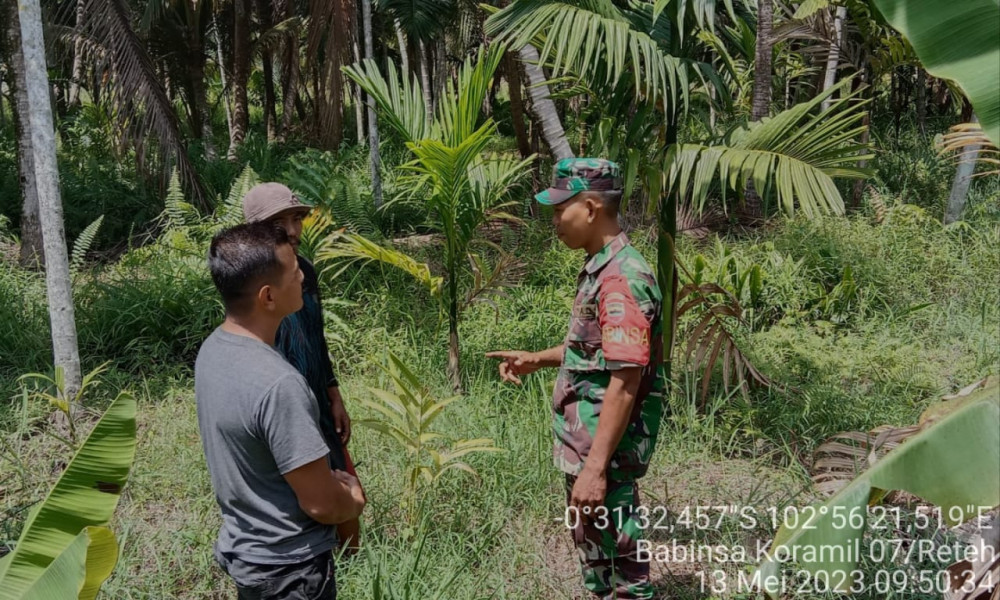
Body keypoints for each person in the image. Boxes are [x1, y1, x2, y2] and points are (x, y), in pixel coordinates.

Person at [487, 158, 664, 600]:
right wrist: (537, 359)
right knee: (598, 560)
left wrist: (595, 470)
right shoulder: (602, 268)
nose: (554, 221)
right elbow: (596, 350)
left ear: (589, 207)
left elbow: (625, 381)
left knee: (623, 574)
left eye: (558, 209)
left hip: (605, 453)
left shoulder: (621, 279)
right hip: (588, 447)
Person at [195, 223, 365, 599]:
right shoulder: (279, 383)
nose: (303, 276)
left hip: (248, 554)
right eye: (294, 272)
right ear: (268, 296)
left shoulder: (213, 350)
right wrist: (352, 499)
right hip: (292, 571)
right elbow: (322, 504)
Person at [241, 182, 362, 552]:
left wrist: (333, 394)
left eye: (297, 219)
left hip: (316, 400)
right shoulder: (247, 284)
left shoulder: (304, 271)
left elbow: (315, 337)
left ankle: (352, 565)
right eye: (280, 223)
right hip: (282, 408)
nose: (293, 231)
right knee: (302, 496)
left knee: (344, 484)